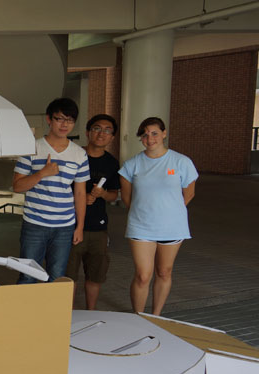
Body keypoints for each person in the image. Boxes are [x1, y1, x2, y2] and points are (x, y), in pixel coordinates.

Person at [119, 117, 197, 315]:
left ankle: (156, 316)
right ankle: (138, 316)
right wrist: (146, 212)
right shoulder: (132, 164)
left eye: (154, 133)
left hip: (172, 227)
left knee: (164, 272)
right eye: (145, 135)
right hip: (141, 226)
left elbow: (189, 194)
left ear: (164, 133)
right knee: (143, 275)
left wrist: (169, 212)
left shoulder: (181, 162)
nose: (150, 138)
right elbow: (127, 198)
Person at [13, 98, 90, 283]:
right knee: (28, 275)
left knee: (57, 276)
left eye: (70, 120)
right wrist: (42, 173)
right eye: (59, 118)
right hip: (34, 223)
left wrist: (79, 226)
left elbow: (80, 193)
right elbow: (17, 186)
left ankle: (50, 305)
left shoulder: (79, 154)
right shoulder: (31, 148)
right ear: (49, 119)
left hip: (65, 226)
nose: (65, 124)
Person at [66, 114, 121, 310]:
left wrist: (102, 194)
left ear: (112, 137)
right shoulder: (73, 155)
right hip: (69, 226)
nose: (101, 133)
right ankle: (67, 315)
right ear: (88, 132)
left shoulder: (112, 163)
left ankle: (91, 312)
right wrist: (79, 198)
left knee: (95, 275)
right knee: (68, 277)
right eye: (97, 128)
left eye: (107, 130)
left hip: (98, 229)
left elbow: (113, 195)